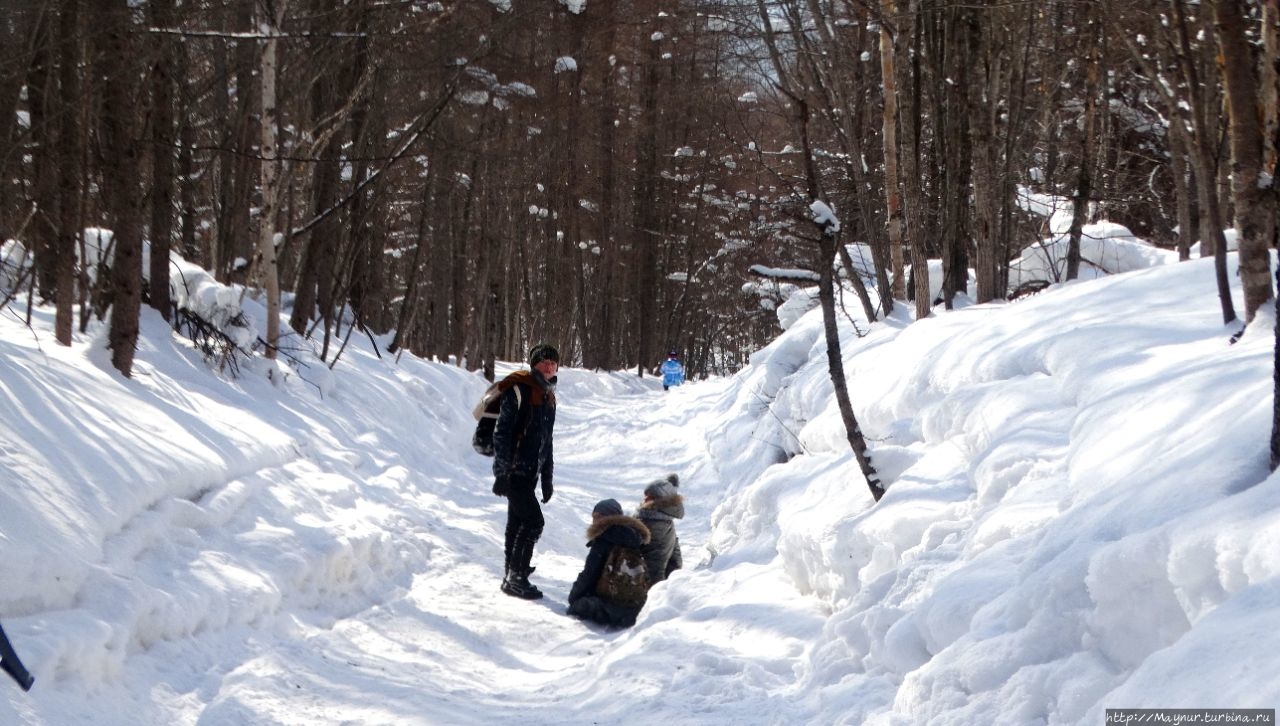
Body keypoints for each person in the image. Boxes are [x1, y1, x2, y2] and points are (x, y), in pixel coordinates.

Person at [491, 343, 559, 600]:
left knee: (517, 522)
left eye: (553, 363)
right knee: (534, 522)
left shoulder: (549, 395)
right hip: (515, 471)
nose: (549, 366)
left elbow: (547, 441)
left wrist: (547, 478)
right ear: (534, 365)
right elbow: (502, 433)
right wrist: (502, 472)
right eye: (544, 362)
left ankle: (512, 573)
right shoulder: (519, 390)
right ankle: (516, 576)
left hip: (531, 472)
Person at [567, 498, 652, 628]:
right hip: (636, 605)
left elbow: (589, 574)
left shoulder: (604, 538)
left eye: (598, 516)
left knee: (577, 606)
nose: (595, 521)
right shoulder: (635, 536)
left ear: (609, 517)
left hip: (609, 604)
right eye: (594, 516)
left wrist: (574, 598)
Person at [635, 474, 683, 585]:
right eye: (645, 495)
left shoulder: (652, 523)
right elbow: (676, 561)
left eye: (650, 497)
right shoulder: (665, 521)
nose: (645, 499)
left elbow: (653, 566)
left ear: (661, 501)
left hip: (648, 587)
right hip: (661, 584)